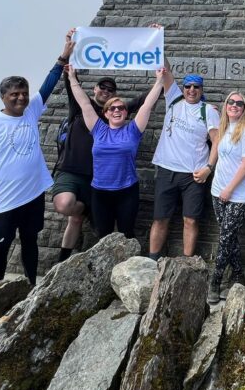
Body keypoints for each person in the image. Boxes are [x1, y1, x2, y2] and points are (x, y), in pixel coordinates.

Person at [0, 37, 71, 285]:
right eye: (14, 94)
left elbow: (48, 85)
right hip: (3, 200)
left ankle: (31, 284)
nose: (21, 98)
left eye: (24, 93)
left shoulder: (31, 110)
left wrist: (63, 56)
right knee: (1, 247)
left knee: (30, 242)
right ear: (3, 96)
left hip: (32, 194)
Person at [52, 26, 143, 262]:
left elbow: (143, 102)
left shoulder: (116, 114)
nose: (106, 91)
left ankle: (64, 260)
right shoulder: (81, 109)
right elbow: (72, 84)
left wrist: (160, 71)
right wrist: (69, 51)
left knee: (84, 223)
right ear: (94, 89)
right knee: (67, 206)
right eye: (102, 87)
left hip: (99, 178)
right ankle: (85, 213)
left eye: (111, 90)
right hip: (72, 170)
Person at [64, 65, 164, 240]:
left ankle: (126, 268)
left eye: (121, 108)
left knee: (127, 235)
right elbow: (84, 103)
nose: (117, 110)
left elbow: (147, 105)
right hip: (100, 193)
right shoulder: (98, 129)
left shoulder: (133, 130)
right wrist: (72, 78)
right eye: (112, 108)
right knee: (102, 236)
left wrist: (159, 81)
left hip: (127, 192)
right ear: (106, 113)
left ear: (126, 113)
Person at [148, 63, 220, 260]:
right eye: (188, 86)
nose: (191, 90)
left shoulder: (208, 111)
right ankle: (152, 261)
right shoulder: (173, 99)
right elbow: (167, 71)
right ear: (183, 88)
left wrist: (209, 168)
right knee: (160, 219)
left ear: (201, 90)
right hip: (166, 170)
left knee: (190, 220)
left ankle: (186, 265)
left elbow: (217, 141)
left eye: (196, 87)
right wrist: (159, 39)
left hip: (193, 175)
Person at [206, 91, 245, 303]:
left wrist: (229, 189)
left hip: (239, 194)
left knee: (226, 237)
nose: (234, 105)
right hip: (217, 190)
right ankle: (238, 275)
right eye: (230, 102)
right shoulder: (224, 128)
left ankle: (215, 281)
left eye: (239, 103)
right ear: (225, 104)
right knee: (229, 237)